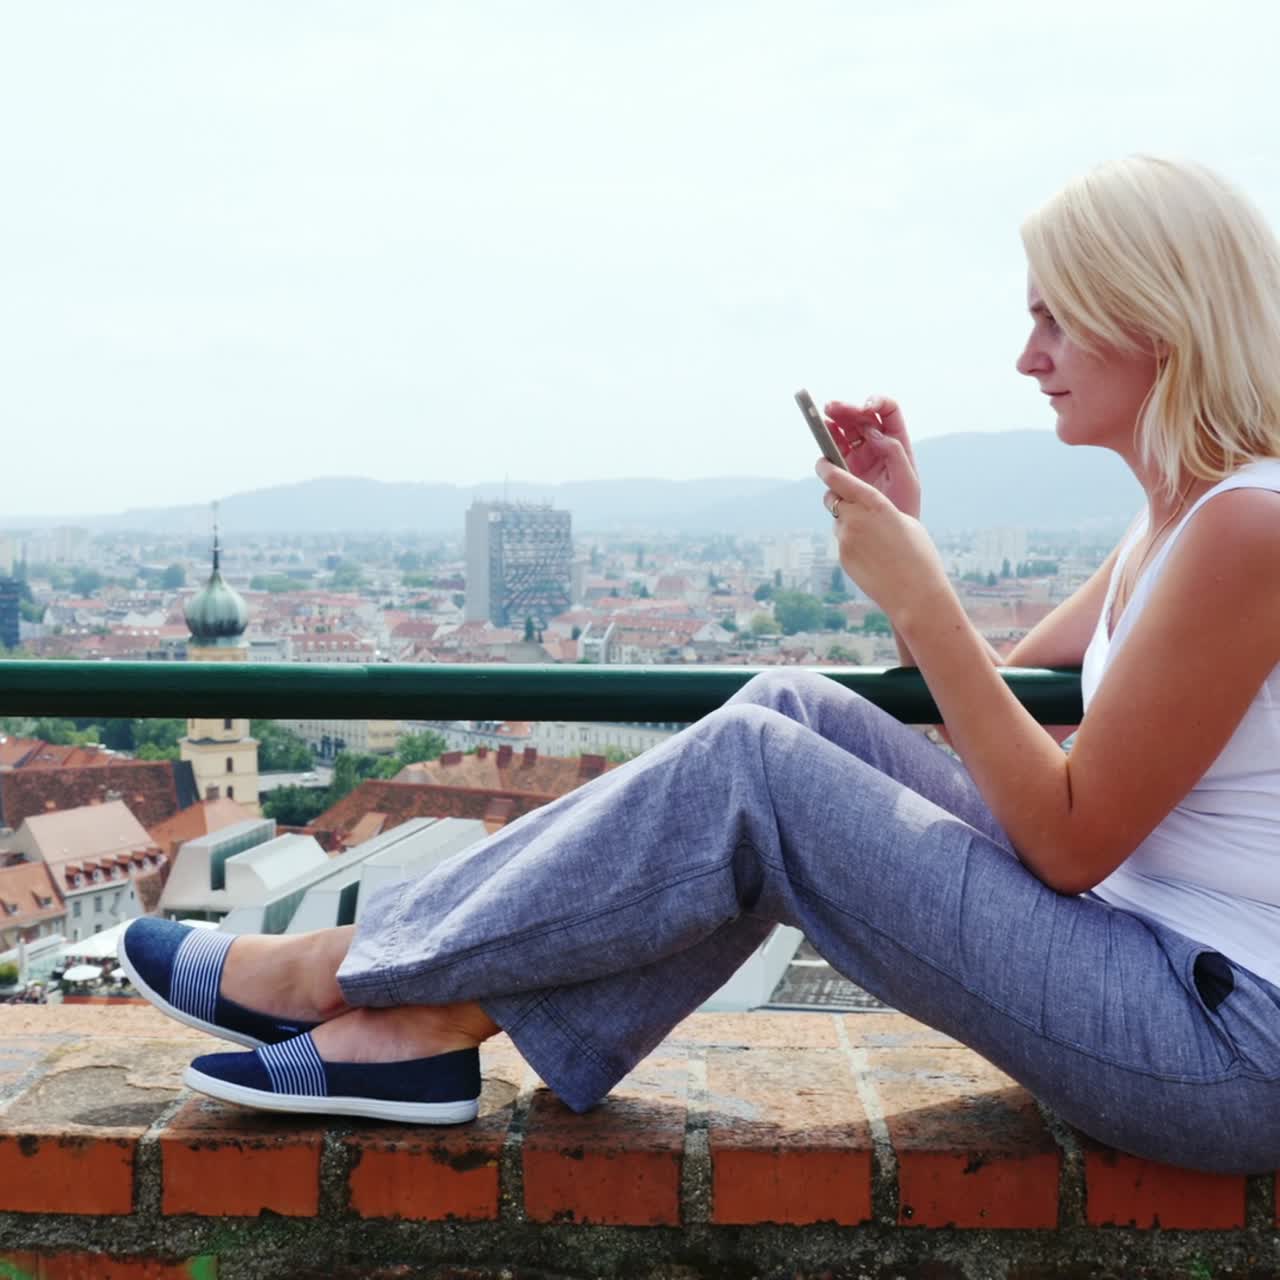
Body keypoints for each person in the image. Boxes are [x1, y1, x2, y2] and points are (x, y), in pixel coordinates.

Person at [121, 154, 1280, 1170]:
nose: (1026, 356)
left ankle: (349, 980)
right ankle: (408, 1028)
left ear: (1156, 314)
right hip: (1151, 967)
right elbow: (977, 732)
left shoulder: (1245, 527)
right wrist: (906, 528)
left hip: (1217, 1038)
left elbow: (1067, 839)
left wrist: (918, 584)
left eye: (1055, 318)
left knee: (760, 774)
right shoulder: (1173, 521)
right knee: (786, 706)